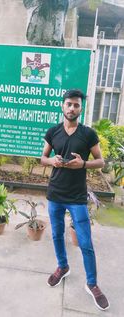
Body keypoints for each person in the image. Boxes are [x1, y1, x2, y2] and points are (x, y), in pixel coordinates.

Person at [41, 89, 110, 311]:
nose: (72, 108)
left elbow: (101, 162)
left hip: (77, 198)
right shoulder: (53, 132)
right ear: (62, 106)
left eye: (76, 105)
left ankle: (92, 284)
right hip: (55, 194)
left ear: (81, 109)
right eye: (69, 104)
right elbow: (42, 158)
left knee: (86, 243)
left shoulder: (88, 134)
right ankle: (62, 267)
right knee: (56, 234)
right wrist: (52, 161)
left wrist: (83, 164)